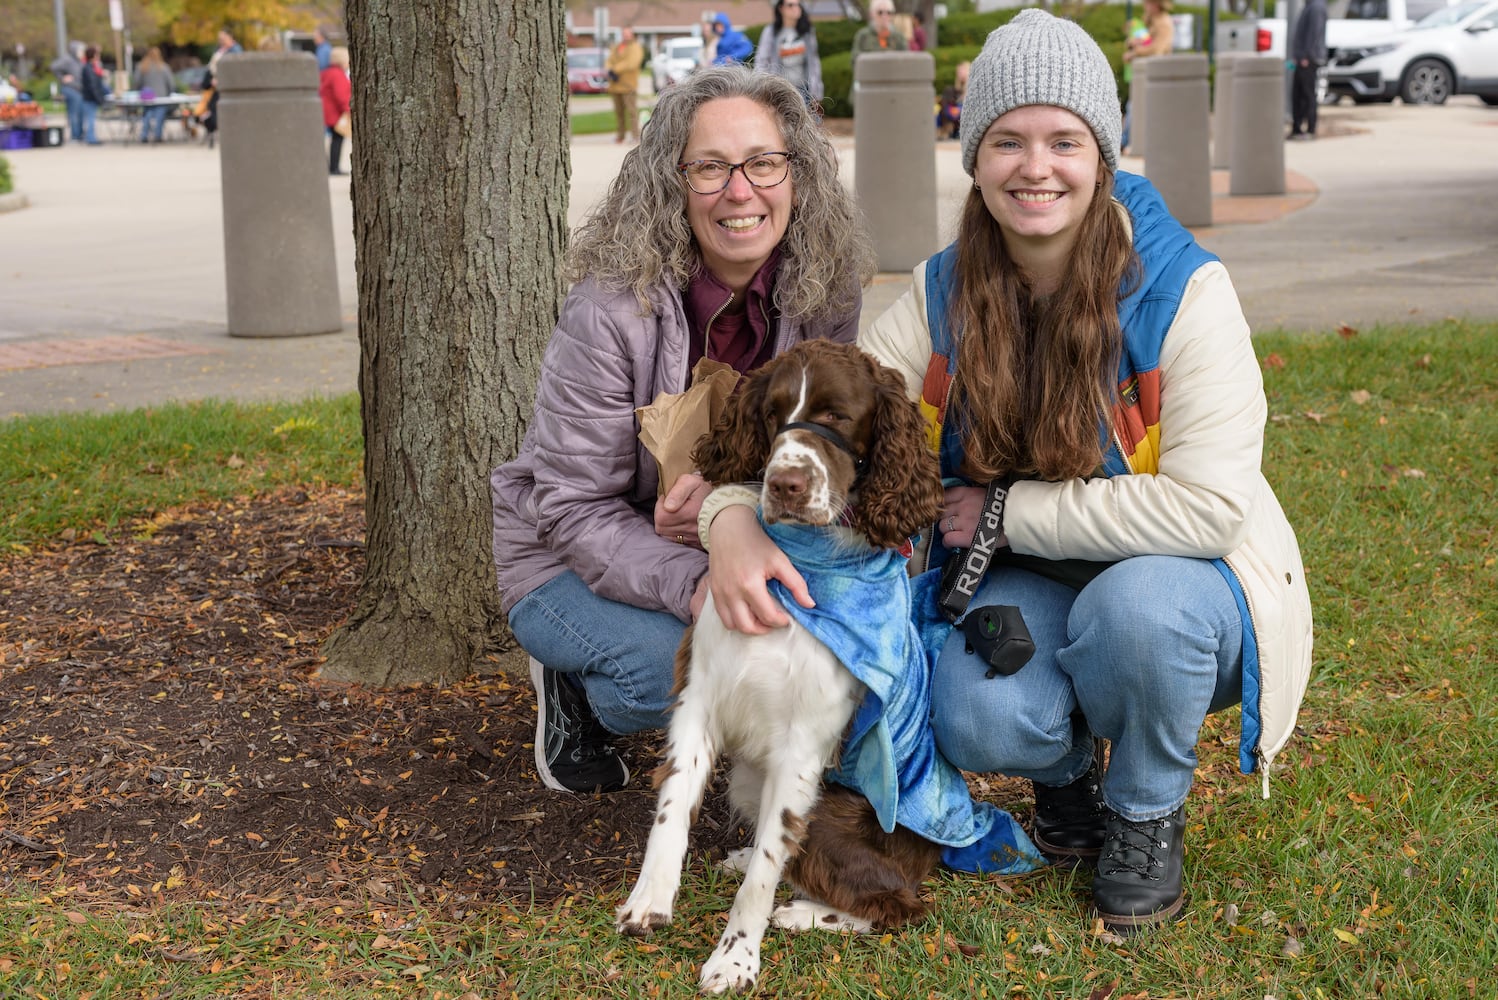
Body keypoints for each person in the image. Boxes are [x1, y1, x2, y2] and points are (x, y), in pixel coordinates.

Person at [699, 9, 1312, 934]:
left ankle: (1145, 816)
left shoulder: (1188, 291)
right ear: (975, 158)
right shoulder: (942, 293)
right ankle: (1069, 792)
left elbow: (1211, 509)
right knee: (966, 703)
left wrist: (1005, 513)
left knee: (1135, 615)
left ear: (1102, 155)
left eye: (1065, 140)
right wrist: (729, 519)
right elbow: (827, 416)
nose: (1036, 167)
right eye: (1008, 141)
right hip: (1030, 586)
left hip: (1190, 590)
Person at [490, 65, 878, 795]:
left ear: (796, 174)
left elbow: (824, 445)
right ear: (673, 181)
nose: (741, 191)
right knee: (669, 673)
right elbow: (571, 506)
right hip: (568, 553)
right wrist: (703, 578)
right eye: (710, 168)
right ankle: (573, 686)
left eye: (764, 163)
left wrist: (722, 522)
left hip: (734, 526)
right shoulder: (610, 310)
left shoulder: (825, 289)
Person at [1120, 0, 1174, 154]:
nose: (1145, 6)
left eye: (1148, 3)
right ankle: (1126, 141)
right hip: (1145, 72)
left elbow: (1158, 49)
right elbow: (1144, 40)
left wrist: (1135, 52)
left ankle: (1126, 141)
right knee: (1135, 106)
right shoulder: (1149, 20)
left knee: (1136, 106)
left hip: (1155, 72)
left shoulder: (1163, 22)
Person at [755, 0, 824, 106]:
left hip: (803, 89)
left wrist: (817, 91)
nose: (795, 8)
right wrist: (762, 87)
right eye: (790, 5)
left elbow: (814, 62)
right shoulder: (771, 32)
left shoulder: (807, 31)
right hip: (780, 90)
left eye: (798, 4)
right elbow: (762, 60)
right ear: (781, 8)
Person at [850, 0, 908, 98]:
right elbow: (854, 61)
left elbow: (906, 62)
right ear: (872, 14)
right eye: (880, 12)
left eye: (889, 12)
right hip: (867, 90)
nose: (885, 16)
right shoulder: (863, 36)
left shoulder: (899, 37)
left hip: (893, 90)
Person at [1289, 0, 1328, 140]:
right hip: (1302, 59)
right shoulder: (1310, 6)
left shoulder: (1316, 6)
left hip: (1308, 60)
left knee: (1307, 95)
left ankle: (1310, 129)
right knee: (1297, 95)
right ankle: (1297, 128)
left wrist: (1306, 56)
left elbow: (1314, 34)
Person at [605, 27, 646, 143]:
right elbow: (609, 60)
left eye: (628, 34)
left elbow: (632, 63)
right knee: (619, 112)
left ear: (632, 35)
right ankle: (620, 135)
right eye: (624, 33)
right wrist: (609, 70)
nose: (625, 36)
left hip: (628, 85)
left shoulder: (635, 48)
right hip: (615, 85)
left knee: (632, 112)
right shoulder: (617, 47)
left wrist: (615, 69)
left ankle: (635, 135)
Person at [319, 46, 351, 176]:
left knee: (333, 139)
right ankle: (334, 167)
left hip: (325, 111)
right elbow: (341, 95)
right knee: (337, 139)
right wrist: (348, 110)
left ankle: (330, 166)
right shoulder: (338, 75)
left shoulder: (325, 73)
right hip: (335, 113)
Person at [133, 47, 175, 143]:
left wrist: (140, 91)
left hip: (147, 96)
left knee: (147, 115)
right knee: (159, 116)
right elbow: (171, 84)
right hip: (162, 96)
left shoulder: (142, 67)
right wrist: (169, 94)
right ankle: (157, 136)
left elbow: (136, 82)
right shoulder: (164, 67)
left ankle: (144, 135)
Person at [49, 41, 86, 142]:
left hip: (79, 90)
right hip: (70, 89)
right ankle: (75, 135)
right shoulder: (67, 59)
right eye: (80, 50)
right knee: (74, 113)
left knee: (81, 112)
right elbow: (53, 67)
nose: (82, 52)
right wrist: (62, 78)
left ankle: (80, 133)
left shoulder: (79, 61)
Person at [77, 46, 109, 146]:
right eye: (97, 54)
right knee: (90, 119)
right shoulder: (89, 68)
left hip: (91, 97)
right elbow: (93, 85)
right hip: (90, 98)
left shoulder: (93, 67)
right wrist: (99, 99)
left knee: (91, 118)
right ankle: (91, 139)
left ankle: (91, 137)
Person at [936, 59, 969, 141]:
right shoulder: (955, 88)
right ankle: (948, 131)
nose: (959, 73)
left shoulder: (972, 86)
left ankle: (947, 132)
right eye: (958, 71)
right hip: (954, 111)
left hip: (963, 110)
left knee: (948, 110)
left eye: (962, 70)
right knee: (943, 109)